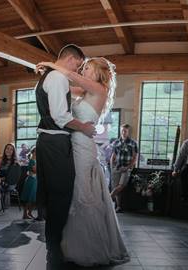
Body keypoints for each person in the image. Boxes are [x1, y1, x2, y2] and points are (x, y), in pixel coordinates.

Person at [37, 55, 129, 266]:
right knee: (76, 194)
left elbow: (68, 75)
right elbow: (64, 88)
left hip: (84, 149)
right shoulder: (85, 92)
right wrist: (47, 76)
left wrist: (52, 65)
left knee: (83, 196)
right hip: (73, 145)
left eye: (87, 68)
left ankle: (89, 248)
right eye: (84, 67)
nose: (83, 70)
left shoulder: (99, 90)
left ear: (98, 74)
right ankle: (71, 244)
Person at [34, 44, 96, 269]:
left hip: (46, 142)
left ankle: (53, 245)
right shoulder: (58, 78)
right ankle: (54, 249)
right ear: (72, 59)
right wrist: (84, 128)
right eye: (79, 66)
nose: (79, 70)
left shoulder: (46, 78)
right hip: (55, 142)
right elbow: (61, 116)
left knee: (53, 195)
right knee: (61, 195)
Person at [110, 124, 138, 213]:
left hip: (127, 168)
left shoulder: (133, 143)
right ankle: (118, 207)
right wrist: (112, 167)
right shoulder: (116, 142)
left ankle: (108, 198)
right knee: (116, 186)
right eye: (122, 130)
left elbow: (134, 157)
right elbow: (113, 156)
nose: (123, 132)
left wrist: (128, 167)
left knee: (121, 185)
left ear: (128, 131)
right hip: (117, 167)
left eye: (125, 131)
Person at [0, 143, 19, 212]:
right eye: (7, 148)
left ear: (13, 151)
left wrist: (1, 179)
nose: (9, 150)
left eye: (11, 149)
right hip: (1, 181)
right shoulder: (1, 159)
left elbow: (12, 176)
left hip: (11, 182)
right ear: (5, 149)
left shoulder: (15, 161)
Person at [20, 146, 37, 219]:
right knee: (29, 198)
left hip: (35, 180)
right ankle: (25, 214)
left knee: (34, 199)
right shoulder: (32, 160)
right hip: (31, 180)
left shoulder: (36, 160)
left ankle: (30, 212)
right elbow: (35, 170)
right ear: (33, 152)